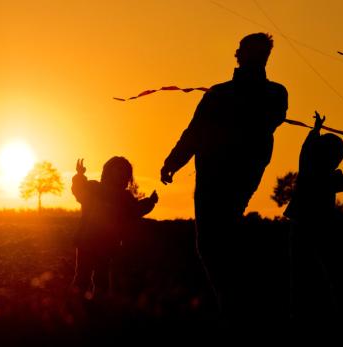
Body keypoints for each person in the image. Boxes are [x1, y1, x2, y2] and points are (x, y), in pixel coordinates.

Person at [160, 33, 288, 329]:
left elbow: (197, 131)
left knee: (211, 240)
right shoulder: (269, 94)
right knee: (220, 237)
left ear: (242, 56)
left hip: (223, 174)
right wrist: (173, 162)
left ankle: (233, 306)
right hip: (230, 173)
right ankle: (235, 303)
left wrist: (173, 162)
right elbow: (196, 131)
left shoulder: (237, 95)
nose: (241, 55)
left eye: (245, 51)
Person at [284, 111, 343, 337]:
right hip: (319, 227)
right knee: (323, 269)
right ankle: (325, 312)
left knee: (302, 270)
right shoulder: (327, 176)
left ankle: (303, 313)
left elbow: (306, 147)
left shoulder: (308, 168)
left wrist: (316, 129)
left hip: (303, 224)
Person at [71, 157, 158, 299]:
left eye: (125, 172)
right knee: (82, 276)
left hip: (107, 245)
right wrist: (80, 176)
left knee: (102, 279)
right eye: (118, 169)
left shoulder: (125, 197)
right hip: (87, 242)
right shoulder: (94, 188)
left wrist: (150, 202)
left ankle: (98, 307)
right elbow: (79, 191)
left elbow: (134, 211)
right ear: (109, 171)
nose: (121, 174)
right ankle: (76, 305)